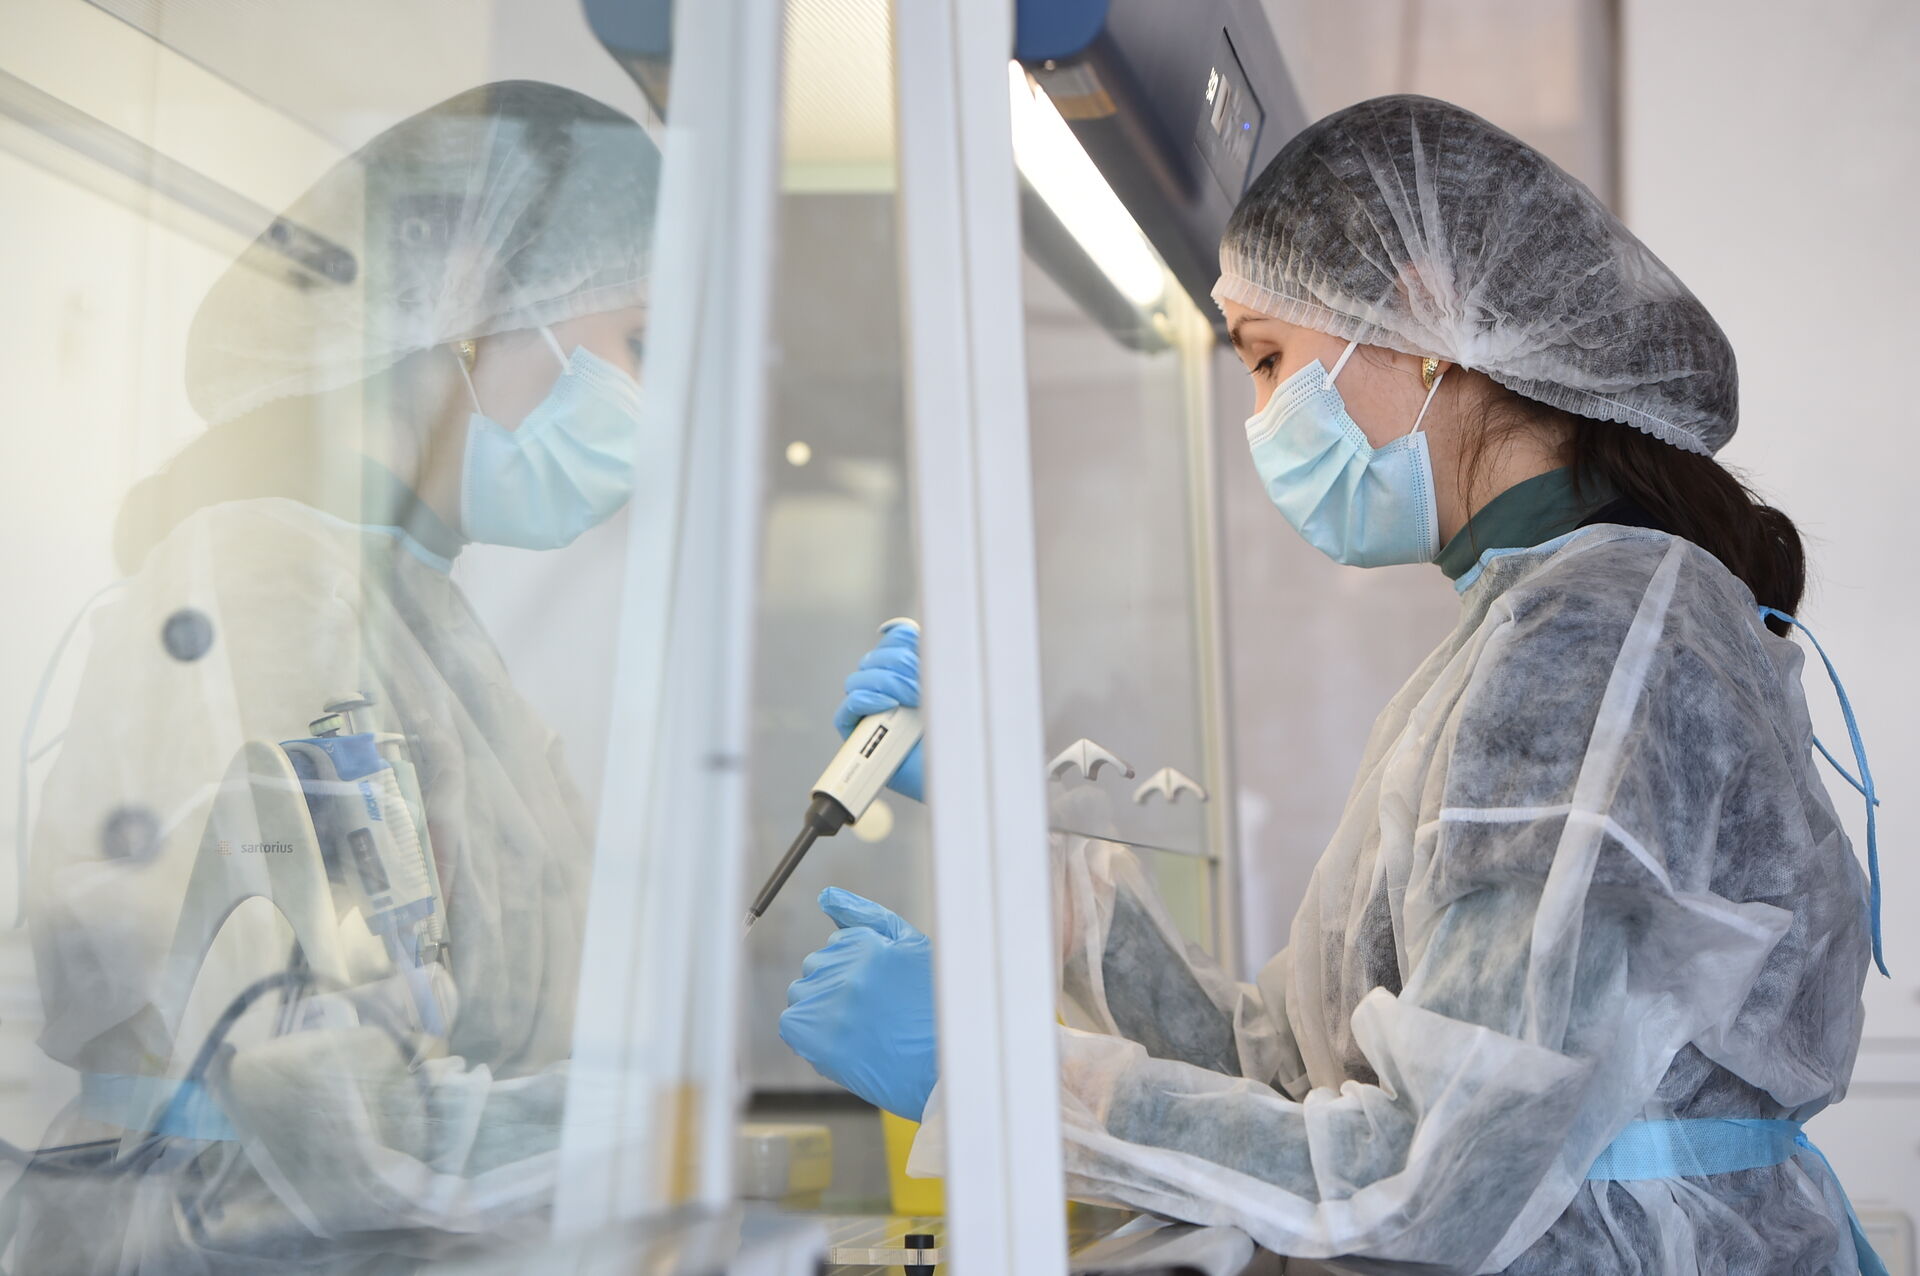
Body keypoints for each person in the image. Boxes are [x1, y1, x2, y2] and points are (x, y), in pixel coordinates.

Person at [780, 96, 1885, 1274]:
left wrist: (990, 1073)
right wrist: (1012, 831)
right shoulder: (1526, 632)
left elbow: (1431, 1177)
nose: (1261, 417)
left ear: (1418, 315)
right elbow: (1292, 1065)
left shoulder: (1594, 644)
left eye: (1267, 359)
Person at [14, 80, 658, 1272]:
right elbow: (335, 1116)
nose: (650, 409)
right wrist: (660, 1131)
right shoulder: (262, 590)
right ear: (468, 311)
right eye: (638, 343)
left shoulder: (413, 614)